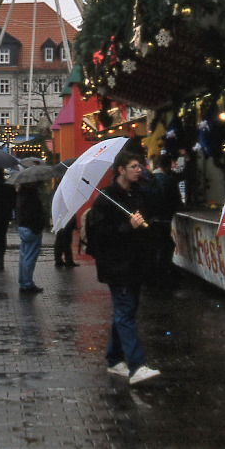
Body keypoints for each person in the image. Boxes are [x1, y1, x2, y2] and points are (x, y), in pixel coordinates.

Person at [86, 150, 161, 385]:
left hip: (136, 263)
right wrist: (128, 226)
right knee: (125, 311)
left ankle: (114, 359)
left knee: (125, 311)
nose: (139, 170)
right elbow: (99, 236)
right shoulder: (106, 199)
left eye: (140, 166)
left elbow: (154, 206)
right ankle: (137, 365)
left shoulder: (136, 194)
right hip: (117, 266)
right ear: (121, 170)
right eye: (134, 167)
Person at [149, 154, 183, 285]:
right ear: (168, 166)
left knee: (155, 248)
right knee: (165, 247)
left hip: (150, 221)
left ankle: (154, 276)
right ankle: (161, 277)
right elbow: (176, 202)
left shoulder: (148, 180)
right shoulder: (169, 180)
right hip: (164, 220)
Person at [16, 182, 46, 294]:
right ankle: (28, 284)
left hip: (23, 227)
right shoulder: (31, 196)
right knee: (29, 257)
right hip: (32, 228)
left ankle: (23, 282)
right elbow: (34, 214)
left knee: (24, 256)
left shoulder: (21, 195)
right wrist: (38, 227)